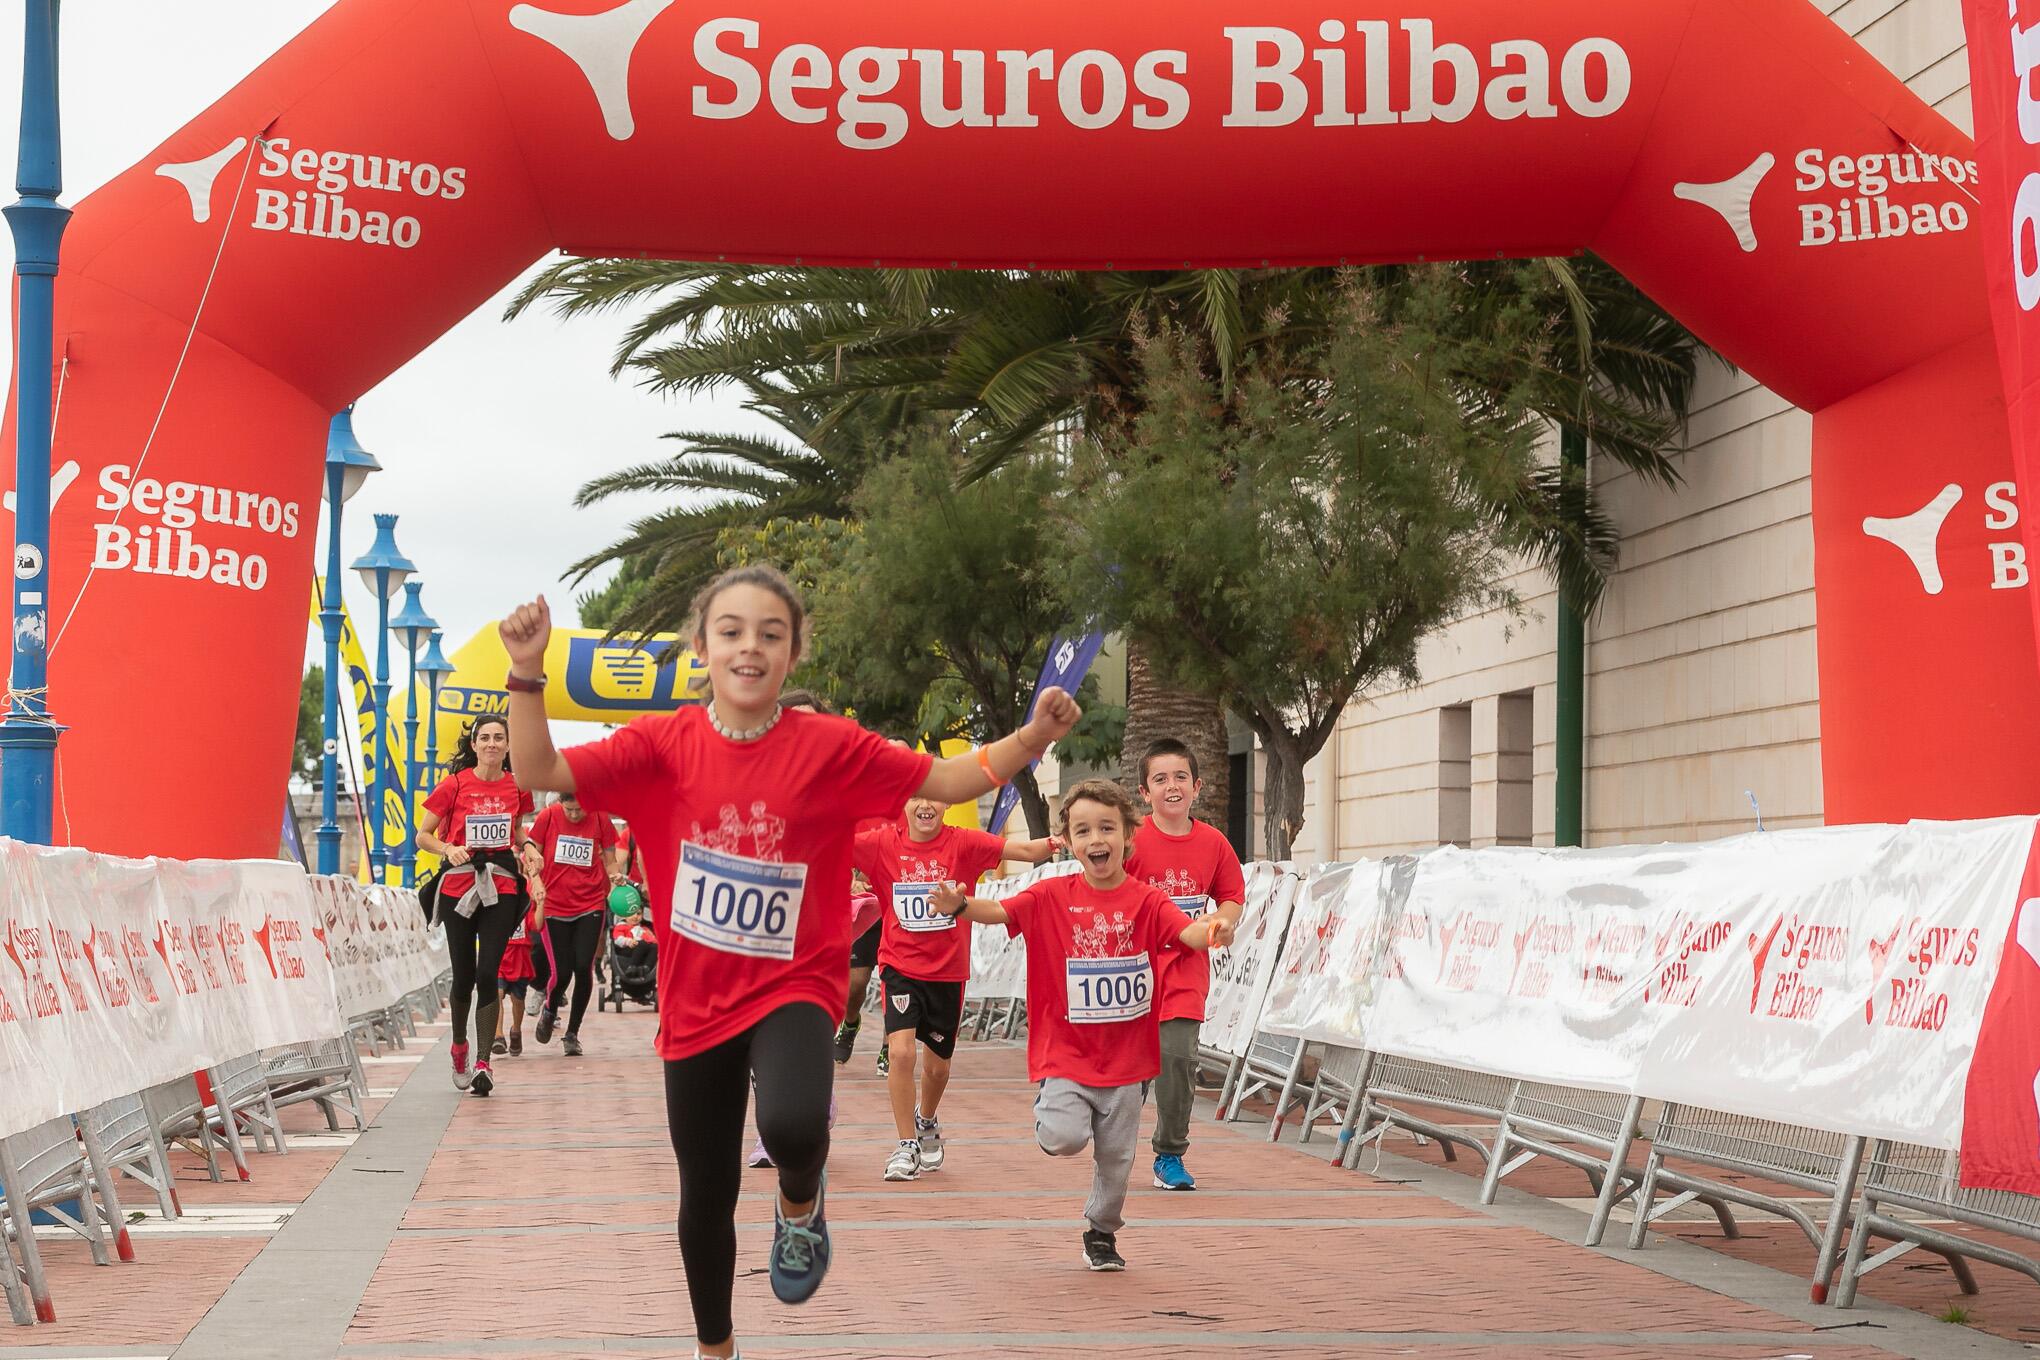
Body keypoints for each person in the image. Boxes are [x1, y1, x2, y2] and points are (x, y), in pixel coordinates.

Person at [496, 564, 1080, 1360]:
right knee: (706, 1192)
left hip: (795, 985)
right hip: (696, 1001)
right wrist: (525, 672)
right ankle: (716, 1347)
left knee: (794, 1123)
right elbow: (538, 772)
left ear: (794, 651)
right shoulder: (660, 745)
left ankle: (800, 1205)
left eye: (771, 634)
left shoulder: (830, 748)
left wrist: (1035, 737)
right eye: (731, 632)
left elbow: (943, 780)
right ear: (701, 647)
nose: (750, 648)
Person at [929, 778, 1232, 1272]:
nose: (1097, 839)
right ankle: (1050, 1103)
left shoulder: (1148, 900)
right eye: (1084, 830)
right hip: (1066, 1053)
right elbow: (1000, 910)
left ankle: (1101, 1233)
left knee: (1116, 1162)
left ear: (1128, 837)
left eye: (1108, 828)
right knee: (1063, 1137)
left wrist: (1213, 928)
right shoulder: (1050, 894)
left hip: (1128, 1062)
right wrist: (960, 907)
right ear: (1068, 842)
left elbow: (1187, 930)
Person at [856, 797, 1057, 1181]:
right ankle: (905, 1145)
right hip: (899, 966)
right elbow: (828, 844)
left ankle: (926, 1119)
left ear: (947, 802)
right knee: (900, 1053)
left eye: (934, 795)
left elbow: (1026, 849)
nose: (925, 804)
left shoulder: (963, 843)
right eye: (916, 796)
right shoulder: (882, 843)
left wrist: (1059, 841)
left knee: (938, 1067)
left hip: (947, 973)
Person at [1127, 738, 1246, 1192]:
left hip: (1185, 973)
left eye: (1180, 778)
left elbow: (1232, 896)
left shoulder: (1213, 842)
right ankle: (1114, 1140)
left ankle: (1169, 1154)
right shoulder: (1131, 840)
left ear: (1196, 787)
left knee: (1177, 1059)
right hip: (1130, 975)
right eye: (1160, 779)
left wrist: (1222, 922)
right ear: (1144, 792)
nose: (1171, 787)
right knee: (1130, 1069)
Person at [417, 715, 540, 1096]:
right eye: (484, 738)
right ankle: (459, 1047)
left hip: (501, 885)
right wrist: (448, 848)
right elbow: (422, 835)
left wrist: (530, 847)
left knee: (490, 973)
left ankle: (484, 1062)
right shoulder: (453, 785)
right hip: (458, 886)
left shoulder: (517, 785)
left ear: (507, 745)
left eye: (498, 738)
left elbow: (517, 830)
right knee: (464, 976)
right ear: (474, 745)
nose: (490, 743)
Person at [529, 791, 627, 1057]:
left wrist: (616, 876)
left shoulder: (600, 817)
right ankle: (550, 1008)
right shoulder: (548, 816)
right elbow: (531, 852)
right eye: (569, 810)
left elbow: (610, 860)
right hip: (554, 905)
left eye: (579, 810)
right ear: (561, 803)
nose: (574, 815)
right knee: (561, 972)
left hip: (591, 902)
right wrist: (535, 880)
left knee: (583, 966)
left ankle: (572, 1033)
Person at [494, 893, 546, 1056]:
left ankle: (516, 1031)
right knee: (497, 994)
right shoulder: (495, 907)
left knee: (518, 999)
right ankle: (498, 1036)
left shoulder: (525, 907)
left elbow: (537, 925)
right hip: (500, 958)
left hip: (520, 960)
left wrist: (541, 903)